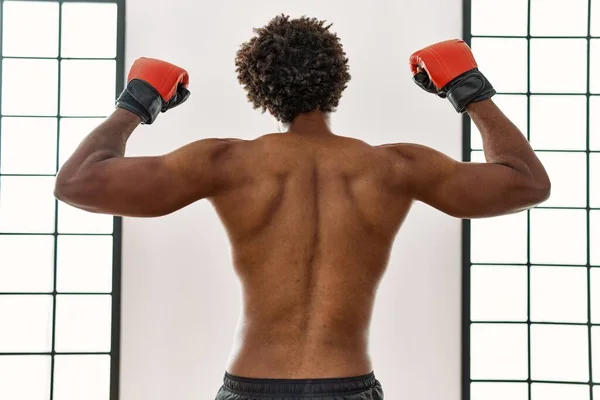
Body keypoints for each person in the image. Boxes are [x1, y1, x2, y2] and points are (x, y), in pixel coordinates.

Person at [54, 14, 551, 400]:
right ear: (337, 83)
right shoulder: (397, 166)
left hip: (251, 383)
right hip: (348, 383)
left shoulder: (224, 162)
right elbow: (526, 182)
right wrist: (467, 89)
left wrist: (136, 103)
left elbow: (77, 182)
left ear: (261, 92)